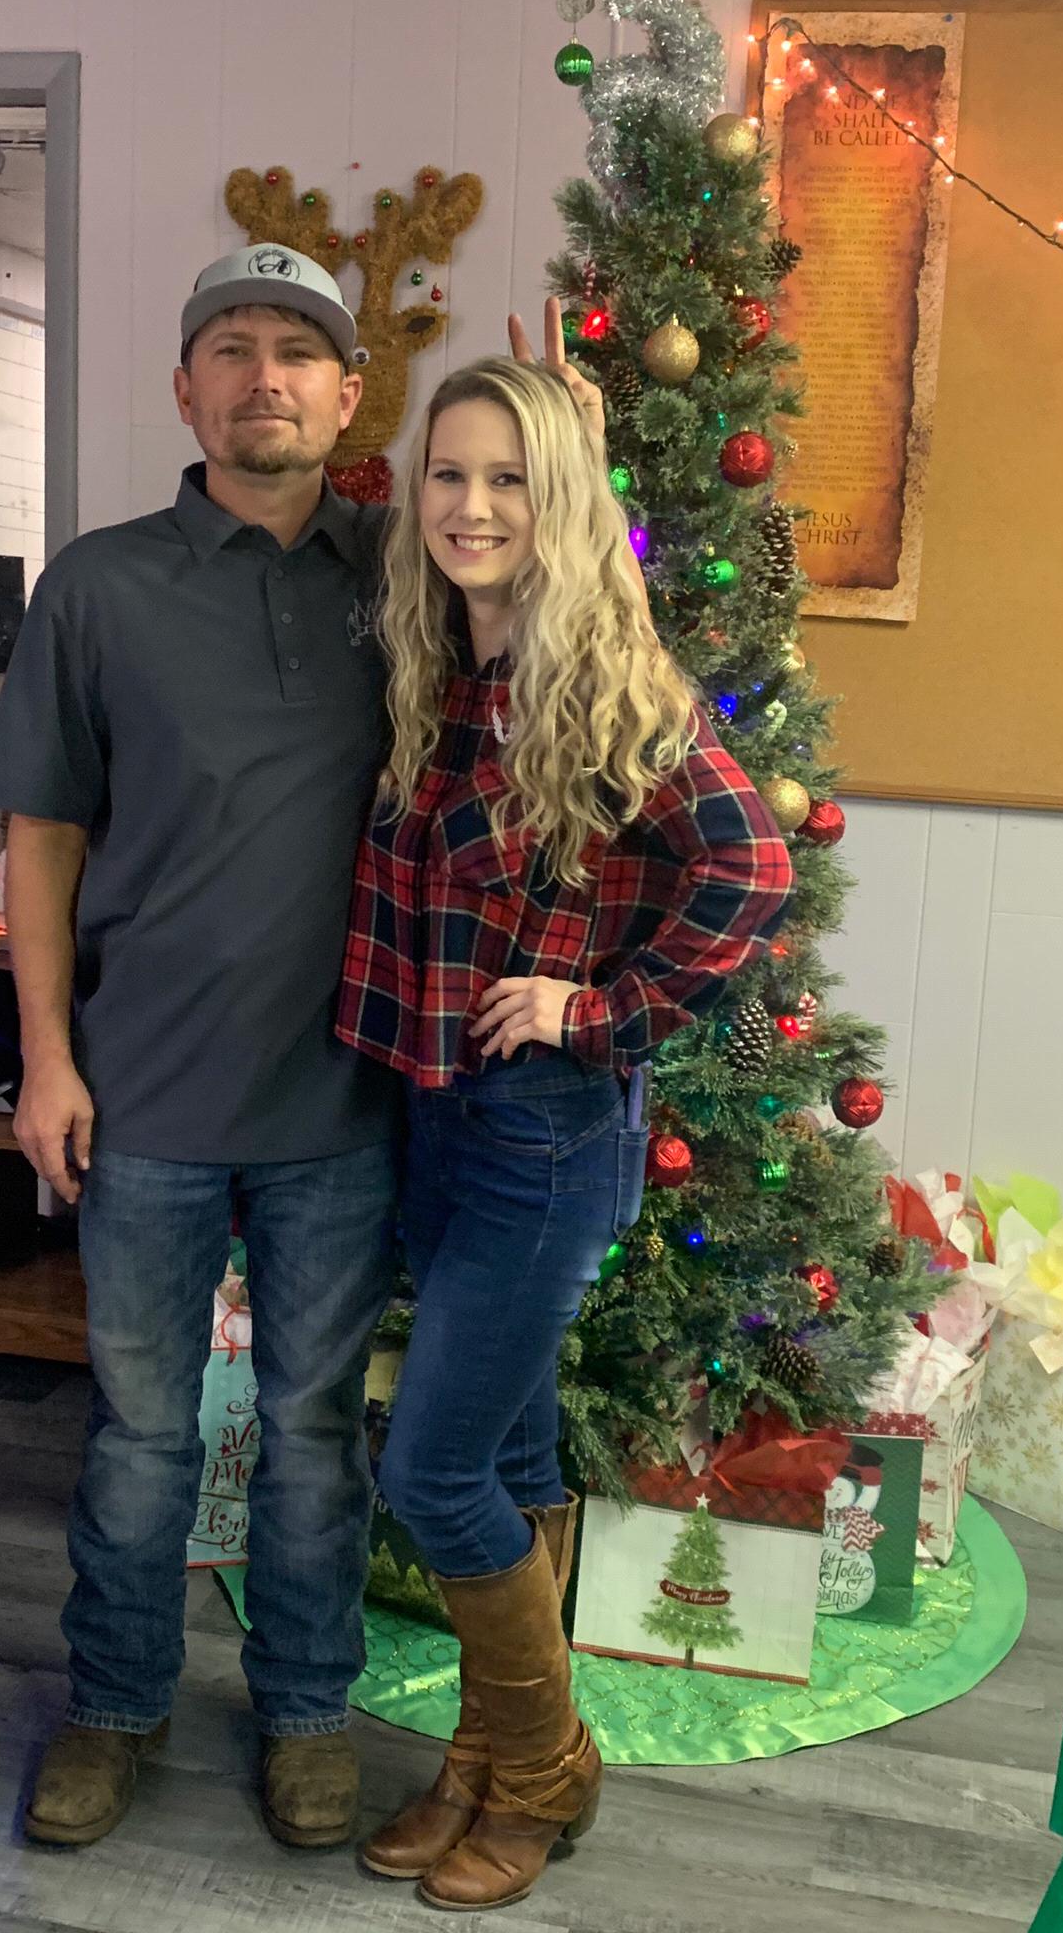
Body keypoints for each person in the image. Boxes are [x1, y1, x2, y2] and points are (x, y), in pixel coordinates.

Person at [336, 346, 795, 1911]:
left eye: (511, 480)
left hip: (544, 1134)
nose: (472, 506)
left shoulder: (608, 681)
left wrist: (595, 1011)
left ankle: (541, 1768)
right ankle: (483, 1758)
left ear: (562, 503)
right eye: (450, 474)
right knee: (512, 1449)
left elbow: (749, 871)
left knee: (431, 1470)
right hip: (433, 1113)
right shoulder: (435, 661)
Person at [0, 243, 404, 1851]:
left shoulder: (407, 579)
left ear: (349, 396)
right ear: (184, 389)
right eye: (231, 346)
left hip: (343, 1099)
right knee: (143, 1435)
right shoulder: (99, 586)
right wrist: (47, 1058)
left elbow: (573, 614)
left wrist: (572, 438)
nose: (262, 375)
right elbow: (42, 835)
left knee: (311, 1435)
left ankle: (304, 1711)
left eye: (296, 350)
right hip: (141, 1090)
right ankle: (115, 1705)